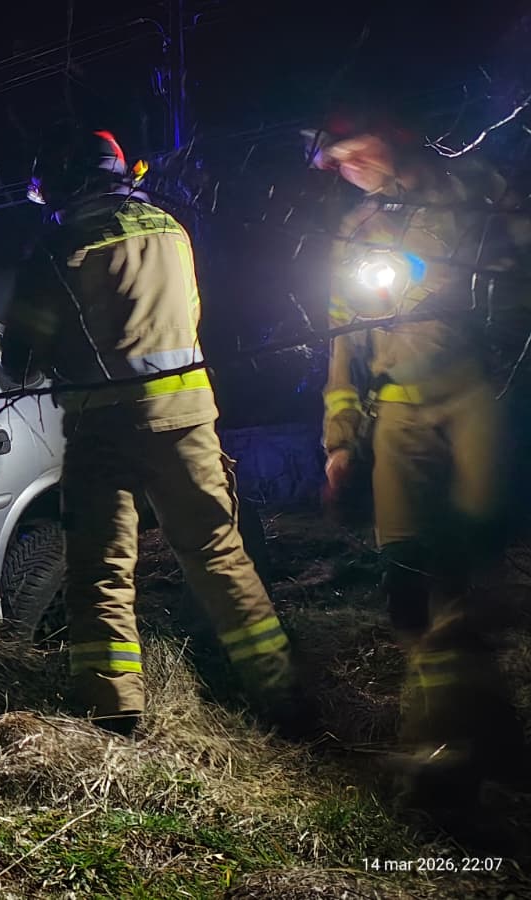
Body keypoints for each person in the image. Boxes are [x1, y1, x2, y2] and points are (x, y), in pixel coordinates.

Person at [1, 126, 305, 737]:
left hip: (106, 428)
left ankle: (112, 711)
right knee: (220, 555)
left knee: (101, 567)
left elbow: (19, 356)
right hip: (190, 420)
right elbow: (188, 319)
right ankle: (284, 694)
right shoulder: (172, 230)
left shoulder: (60, 246)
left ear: (66, 180)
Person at [311, 117, 528, 812]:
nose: (351, 170)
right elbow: (344, 344)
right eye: (337, 163)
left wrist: (476, 291)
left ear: (388, 134)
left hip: (477, 396)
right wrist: (340, 440)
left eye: (354, 152)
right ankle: (493, 740)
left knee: (467, 575)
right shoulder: (361, 228)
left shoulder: (474, 190)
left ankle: (443, 755)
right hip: (398, 411)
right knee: (407, 584)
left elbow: (521, 276)